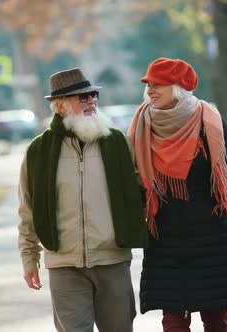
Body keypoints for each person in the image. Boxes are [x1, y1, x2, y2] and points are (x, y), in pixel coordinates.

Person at [127, 58, 227, 332]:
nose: (150, 90)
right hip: (165, 243)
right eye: (149, 85)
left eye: (158, 84)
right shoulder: (141, 126)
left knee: (216, 321)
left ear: (178, 87)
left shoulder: (210, 123)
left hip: (211, 241)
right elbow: (134, 188)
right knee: (173, 324)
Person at [17, 67, 149, 331]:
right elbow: (28, 210)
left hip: (112, 260)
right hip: (64, 264)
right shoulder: (38, 151)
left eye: (93, 95)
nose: (92, 101)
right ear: (61, 106)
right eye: (83, 97)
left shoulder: (118, 143)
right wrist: (29, 257)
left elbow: (143, 194)